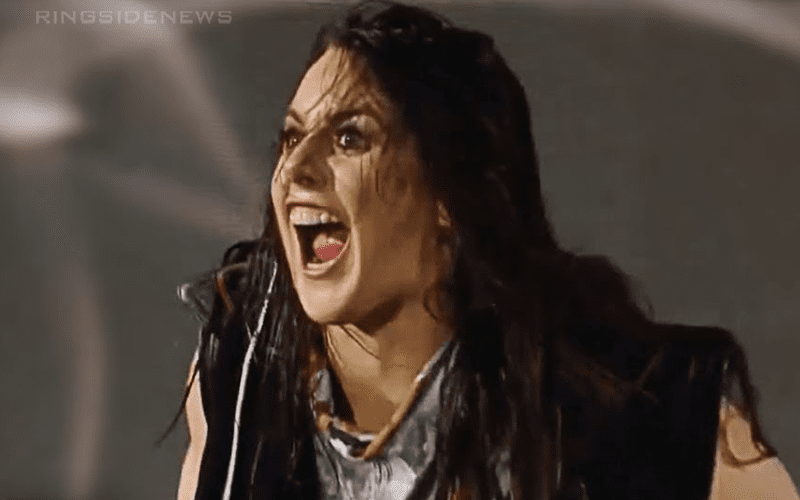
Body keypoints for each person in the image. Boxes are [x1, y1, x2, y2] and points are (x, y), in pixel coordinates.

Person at [173, 2, 800, 499]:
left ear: (447, 197)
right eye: (290, 139)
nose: (295, 170)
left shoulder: (637, 413)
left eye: (349, 138)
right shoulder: (240, 377)